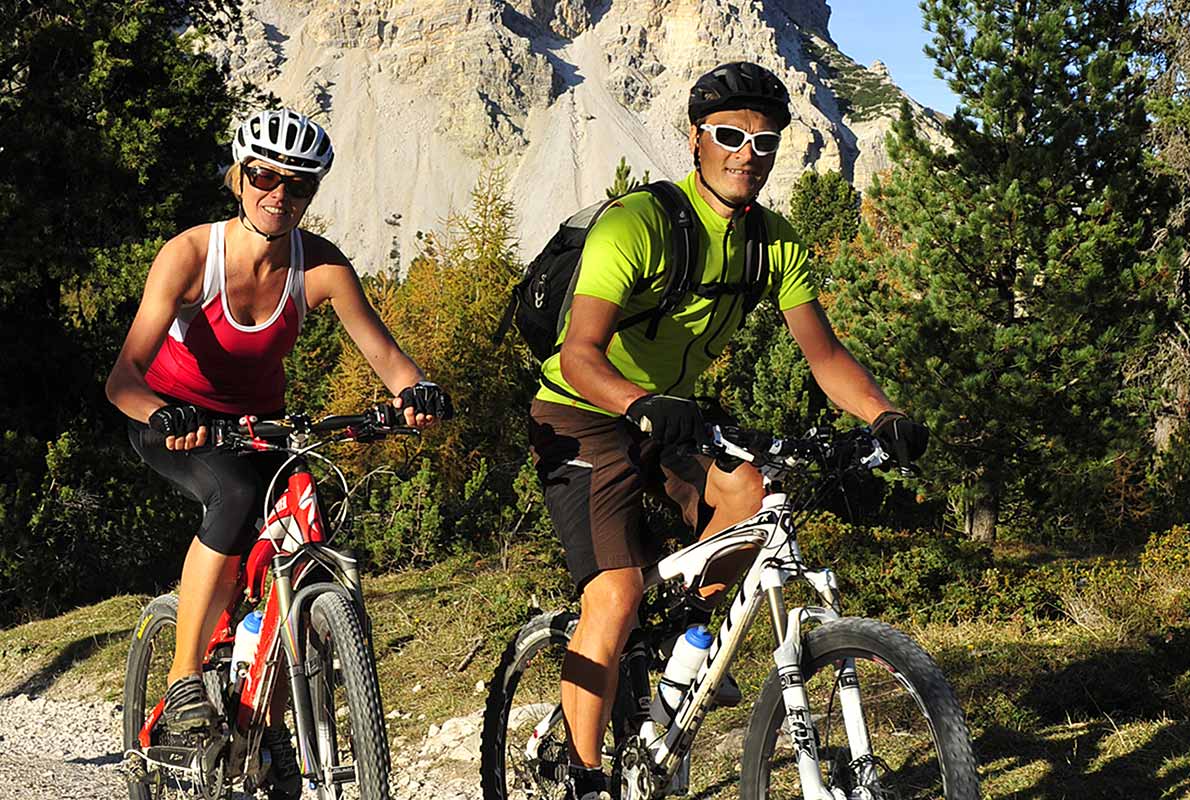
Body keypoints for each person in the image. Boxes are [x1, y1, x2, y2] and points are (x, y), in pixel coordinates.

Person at [527, 62, 929, 800]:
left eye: (767, 140)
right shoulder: (637, 224)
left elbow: (827, 356)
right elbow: (579, 354)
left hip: (669, 410)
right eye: (730, 135)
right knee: (614, 592)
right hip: (582, 410)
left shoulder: (774, 242)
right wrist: (638, 402)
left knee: (749, 490)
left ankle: (690, 629)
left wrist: (884, 415)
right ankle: (584, 778)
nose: (750, 152)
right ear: (696, 141)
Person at [105, 108, 450, 800]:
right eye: (264, 175)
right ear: (239, 176)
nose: (278, 195)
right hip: (172, 422)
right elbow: (123, 379)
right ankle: (181, 684)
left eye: (297, 184)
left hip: (259, 426)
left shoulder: (318, 267)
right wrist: (165, 413)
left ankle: (272, 719)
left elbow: (383, 353)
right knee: (233, 498)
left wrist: (417, 391)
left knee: (307, 521)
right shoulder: (190, 255)